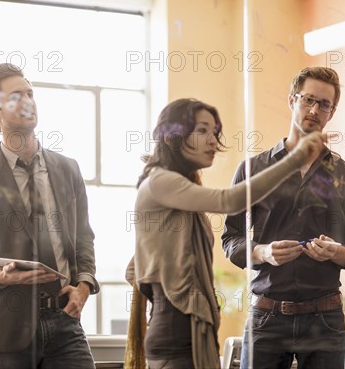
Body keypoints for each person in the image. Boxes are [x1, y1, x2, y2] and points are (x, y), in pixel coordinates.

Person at [125, 98, 328, 369]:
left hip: (187, 326)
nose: (213, 141)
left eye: (214, 132)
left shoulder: (175, 191)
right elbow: (229, 201)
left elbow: (134, 267)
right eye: (202, 130)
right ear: (173, 135)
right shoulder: (160, 180)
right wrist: (295, 159)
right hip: (175, 329)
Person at [222, 66, 345, 368]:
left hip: (325, 319)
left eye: (324, 104)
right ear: (292, 101)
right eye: (308, 100)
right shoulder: (252, 170)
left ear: (332, 111)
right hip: (266, 317)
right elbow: (230, 238)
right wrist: (262, 252)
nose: (315, 110)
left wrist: (338, 253)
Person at [0, 63, 100, 369]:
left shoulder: (69, 169)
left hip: (65, 322)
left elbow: (84, 239)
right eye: (16, 96)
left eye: (30, 93)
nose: (28, 100)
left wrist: (84, 285)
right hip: (6, 331)